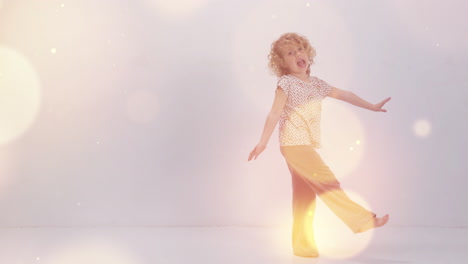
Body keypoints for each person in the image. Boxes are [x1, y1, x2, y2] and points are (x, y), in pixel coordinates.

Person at [247, 32, 390, 258]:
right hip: (294, 144)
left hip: (304, 145)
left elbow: (344, 94)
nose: (298, 55)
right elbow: (274, 113)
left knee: (304, 197)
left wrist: (371, 106)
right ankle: (361, 220)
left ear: (308, 54)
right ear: (283, 63)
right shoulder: (286, 83)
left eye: (300, 50)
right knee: (327, 181)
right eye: (290, 53)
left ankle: (303, 247)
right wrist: (262, 142)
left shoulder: (317, 84)